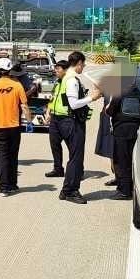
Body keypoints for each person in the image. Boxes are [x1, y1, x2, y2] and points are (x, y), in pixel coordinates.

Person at [56, 51, 102, 205]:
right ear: (79, 63)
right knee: (76, 159)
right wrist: (92, 98)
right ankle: (71, 191)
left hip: (66, 121)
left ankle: (66, 189)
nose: (84, 68)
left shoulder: (67, 78)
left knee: (74, 158)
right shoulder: (72, 80)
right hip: (72, 122)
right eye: (83, 65)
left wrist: (89, 94)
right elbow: (74, 103)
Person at [0, 57, 32, 195]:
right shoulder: (17, 86)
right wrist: (28, 122)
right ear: (10, 70)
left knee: (2, 156)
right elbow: (24, 105)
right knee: (13, 155)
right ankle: (12, 184)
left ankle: (3, 186)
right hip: (15, 126)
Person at [105, 81, 140, 200]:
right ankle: (131, 188)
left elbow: (110, 110)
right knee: (130, 161)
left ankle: (124, 191)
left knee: (121, 161)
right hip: (134, 130)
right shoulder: (137, 92)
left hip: (121, 131)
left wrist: (107, 110)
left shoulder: (119, 93)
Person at [43, 59, 69, 177]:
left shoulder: (70, 82)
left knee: (73, 147)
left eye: (58, 69)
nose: (55, 71)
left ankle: (77, 169)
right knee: (55, 145)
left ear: (65, 70)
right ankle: (58, 169)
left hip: (67, 119)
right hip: (55, 118)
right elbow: (53, 98)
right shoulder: (57, 83)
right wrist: (48, 112)